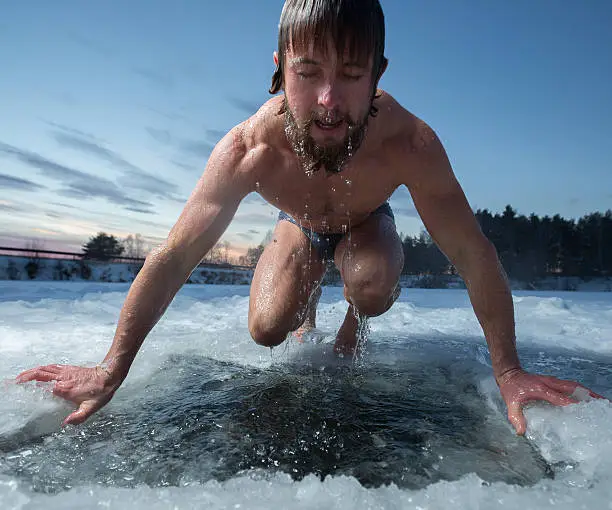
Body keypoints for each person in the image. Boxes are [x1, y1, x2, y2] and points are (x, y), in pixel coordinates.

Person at [16, 0, 602, 434]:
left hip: (367, 225)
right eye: (308, 72)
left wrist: (509, 371)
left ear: (378, 73)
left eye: (350, 76)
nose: (328, 100)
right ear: (279, 67)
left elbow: (474, 253)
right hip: (298, 224)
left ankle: (353, 310)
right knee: (269, 329)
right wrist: (110, 368)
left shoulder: (410, 143)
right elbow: (173, 258)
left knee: (370, 288)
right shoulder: (250, 149)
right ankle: (308, 272)